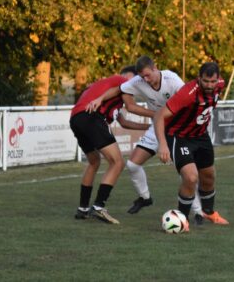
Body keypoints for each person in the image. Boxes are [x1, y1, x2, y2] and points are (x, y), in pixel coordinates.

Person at [87, 56, 205, 223]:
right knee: (132, 164)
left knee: (186, 172)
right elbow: (118, 89)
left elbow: (188, 101)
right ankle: (145, 197)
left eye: (148, 75)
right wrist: (99, 99)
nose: (146, 80)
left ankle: (198, 212)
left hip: (178, 129)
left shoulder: (172, 80)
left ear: (155, 68)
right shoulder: (139, 81)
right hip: (157, 126)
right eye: (142, 77)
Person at [70, 66, 150, 224]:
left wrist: (149, 127)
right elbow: (131, 107)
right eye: (136, 79)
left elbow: (124, 122)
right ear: (128, 76)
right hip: (91, 117)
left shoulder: (113, 94)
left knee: (94, 162)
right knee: (118, 162)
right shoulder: (120, 81)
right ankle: (99, 207)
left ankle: (83, 209)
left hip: (77, 118)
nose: (137, 84)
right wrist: (159, 115)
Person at [154, 62, 229, 231]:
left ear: (218, 80)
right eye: (205, 81)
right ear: (198, 78)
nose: (209, 85)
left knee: (209, 176)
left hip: (201, 136)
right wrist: (163, 145)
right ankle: (182, 220)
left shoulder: (220, 85)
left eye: (213, 82)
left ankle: (209, 212)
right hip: (179, 136)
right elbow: (159, 116)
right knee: (191, 177)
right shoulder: (187, 93)